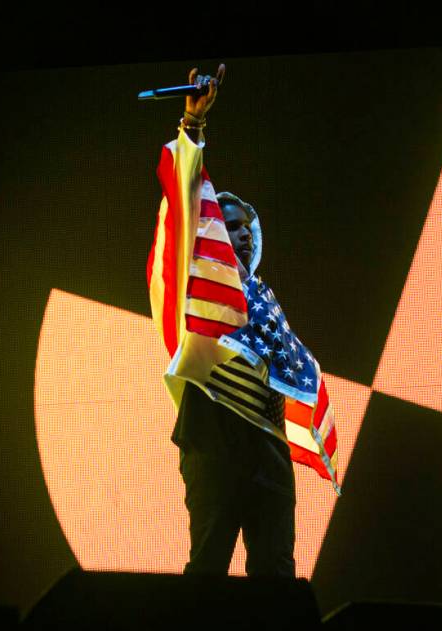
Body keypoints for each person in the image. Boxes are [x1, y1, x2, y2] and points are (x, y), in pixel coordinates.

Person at [147, 65, 335, 578]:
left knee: (277, 569)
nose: (240, 237)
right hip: (215, 429)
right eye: (228, 228)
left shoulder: (268, 303)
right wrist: (193, 126)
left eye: (248, 230)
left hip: (268, 440)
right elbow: (185, 197)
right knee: (208, 564)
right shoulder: (201, 285)